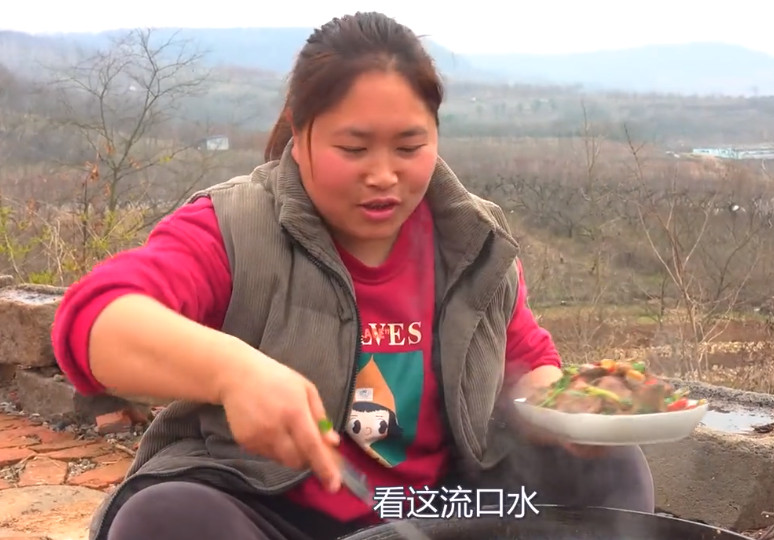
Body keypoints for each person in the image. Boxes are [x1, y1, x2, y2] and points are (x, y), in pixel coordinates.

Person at [51, 11, 654, 540]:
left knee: (611, 468)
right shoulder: (235, 226)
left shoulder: (472, 241)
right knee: (167, 520)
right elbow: (92, 320)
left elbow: (527, 364)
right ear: (300, 129)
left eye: (408, 146)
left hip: (438, 512)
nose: (385, 175)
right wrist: (234, 374)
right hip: (271, 510)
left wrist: (573, 408)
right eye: (355, 148)